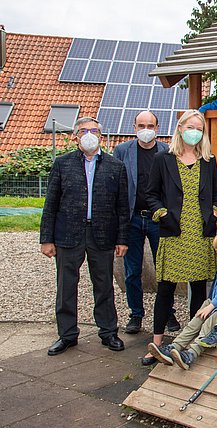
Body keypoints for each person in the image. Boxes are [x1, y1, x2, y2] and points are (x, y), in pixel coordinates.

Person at [40, 116, 129, 356]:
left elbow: (122, 206)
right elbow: (51, 203)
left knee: (103, 285)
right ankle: (67, 334)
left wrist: (122, 239)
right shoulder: (62, 164)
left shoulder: (115, 166)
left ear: (101, 135)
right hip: (68, 234)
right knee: (66, 285)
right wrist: (46, 238)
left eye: (94, 131)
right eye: (83, 131)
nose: (89, 134)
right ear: (75, 136)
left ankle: (108, 332)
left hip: (102, 234)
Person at [144, 109, 217, 363]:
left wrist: (214, 214)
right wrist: (163, 215)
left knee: (199, 290)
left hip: (200, 235)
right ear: (180, 128)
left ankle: (187, 344)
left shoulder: (208, 160)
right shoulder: (163, 159)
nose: (194, 132)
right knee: (165, 289)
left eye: (199, 128)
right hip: (174, 233)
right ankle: (155, 345)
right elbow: (151, 195)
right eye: (190, 127)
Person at [113, 110, 178, 335]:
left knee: (165, 268)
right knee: (132, 270)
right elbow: (117, 187)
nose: (146, 130)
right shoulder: (122, 151)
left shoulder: (168, 152)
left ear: (158, 128)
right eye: (141, 125)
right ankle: (136, 313)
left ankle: (168, 312)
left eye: (150, 125)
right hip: (132, 219)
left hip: (157, 220)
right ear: (134, 128)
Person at [146, 227, 217, 369]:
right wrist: (209, 303)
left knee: (207, 326)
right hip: (214, 303)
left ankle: (191, 353)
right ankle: (175, 347)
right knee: (195, 321)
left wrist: (211, 306)